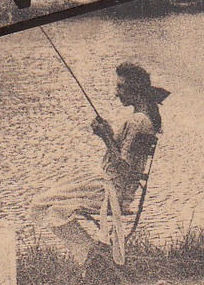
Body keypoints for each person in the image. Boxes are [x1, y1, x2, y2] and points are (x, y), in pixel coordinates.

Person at [30, 62, 167, 270]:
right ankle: (95, 258)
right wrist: (110, 135)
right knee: (47, 205)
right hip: (112, 187)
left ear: (135, 89)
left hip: (112, 192)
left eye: (120, 87)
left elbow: (126, 170)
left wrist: (105, 137)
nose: (117, 93)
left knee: (44, 206)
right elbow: (124, 160)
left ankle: (92, 260)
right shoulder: (143, 119)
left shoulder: (138, 122)